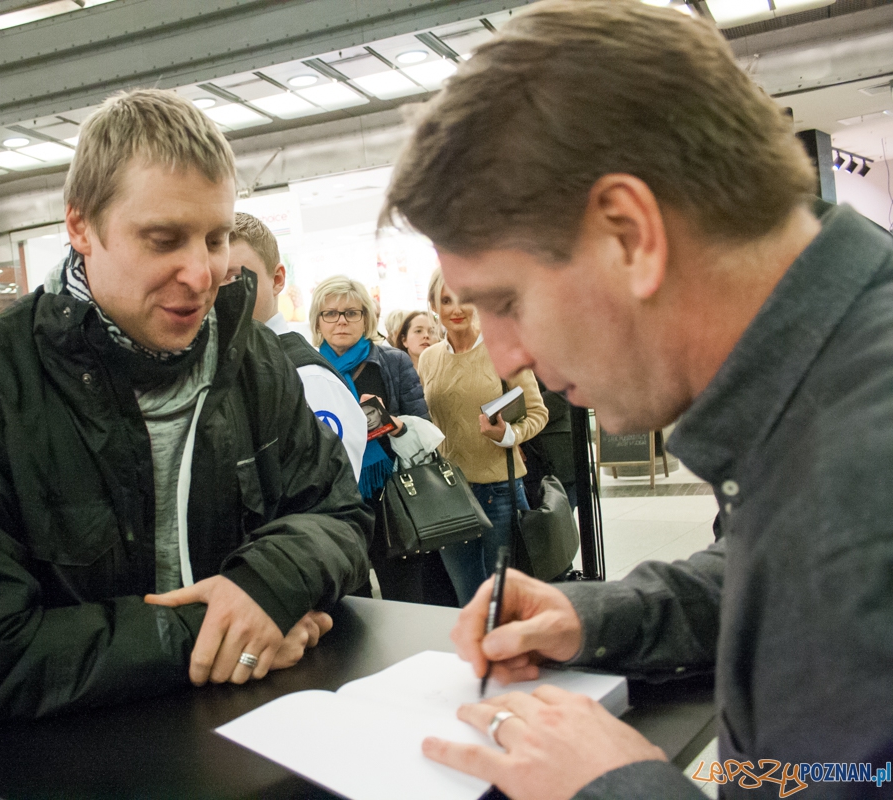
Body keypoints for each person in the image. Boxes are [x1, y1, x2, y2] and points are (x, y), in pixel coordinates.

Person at [380, 1, 893, 797]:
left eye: (507, 300)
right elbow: (783, 575)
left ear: (629, 234)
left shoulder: (866, 473)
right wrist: (605, 616)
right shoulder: (831, 403)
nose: (506, 352)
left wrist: (617, 786)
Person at [0, 89, 370, 741]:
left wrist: (269, 581)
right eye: (163, 239)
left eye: (216, 238)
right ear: (81, 227)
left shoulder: (252, 357)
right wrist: (223, 627)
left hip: (245, 749)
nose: (201, 274)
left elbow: (335, 513)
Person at [310, 276, 453, 606]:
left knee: (407, 600)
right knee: (351, 603)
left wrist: (395, 424)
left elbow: (424, 432)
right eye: (330, 313)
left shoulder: (393, 362)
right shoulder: (307, 368)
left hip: (394, 498)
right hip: (337, 504)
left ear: (366, 318)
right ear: (318, 320)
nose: (341, 320)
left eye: (351, 312)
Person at [417, 269, 548, 604]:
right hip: (448, 495)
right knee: (469, 602)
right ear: (433, 305)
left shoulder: (503, 348)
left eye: (463, 297)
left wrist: (507, 435)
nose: (456, 308)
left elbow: (538, 413)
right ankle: (480, 658)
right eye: (446, 300)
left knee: (506, 603)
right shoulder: (429, 359)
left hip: (499, 491)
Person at [227, 212, 366, 482]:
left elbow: (331, 492)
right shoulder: (231, 364)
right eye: (211, 280)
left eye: (235, 279)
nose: (222, 294)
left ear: (278, 279)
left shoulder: (308, 377)